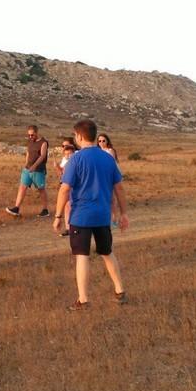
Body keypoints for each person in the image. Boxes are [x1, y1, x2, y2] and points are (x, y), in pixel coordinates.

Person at [53, 119, 129, 310]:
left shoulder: (75, 160)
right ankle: (120, 291)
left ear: (79, 136)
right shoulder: (108, 158)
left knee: (82, 256)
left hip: (81, 217)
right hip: (102, 215)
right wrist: (124, 213)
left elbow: (64, 189)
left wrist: (58, 216)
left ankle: (83, 300)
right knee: (107, 252)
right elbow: (119, 188)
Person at [5, 125, 50, 217]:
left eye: (32, 135)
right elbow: (28, 153)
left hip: (38, 170)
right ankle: (16, 208)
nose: (30, 137)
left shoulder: (43, 143)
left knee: (41, 189)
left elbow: (42, 156)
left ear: (37, 133)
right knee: (22, 187)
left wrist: (34, 166)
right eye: (29, 135)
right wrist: (26, 164)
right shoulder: (30, 141)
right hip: (27, 169)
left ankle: (45, 210)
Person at [55, 137, 78, 236]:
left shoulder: (77, 156)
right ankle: (69, 228)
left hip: (74, 185)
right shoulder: (65, 158)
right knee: (67, 205)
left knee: (71, 205)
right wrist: (57, 167)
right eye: (63, 146)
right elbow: (61, 174)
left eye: (66, 145)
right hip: (65, 183)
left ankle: (74, 227)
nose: (64, 147)